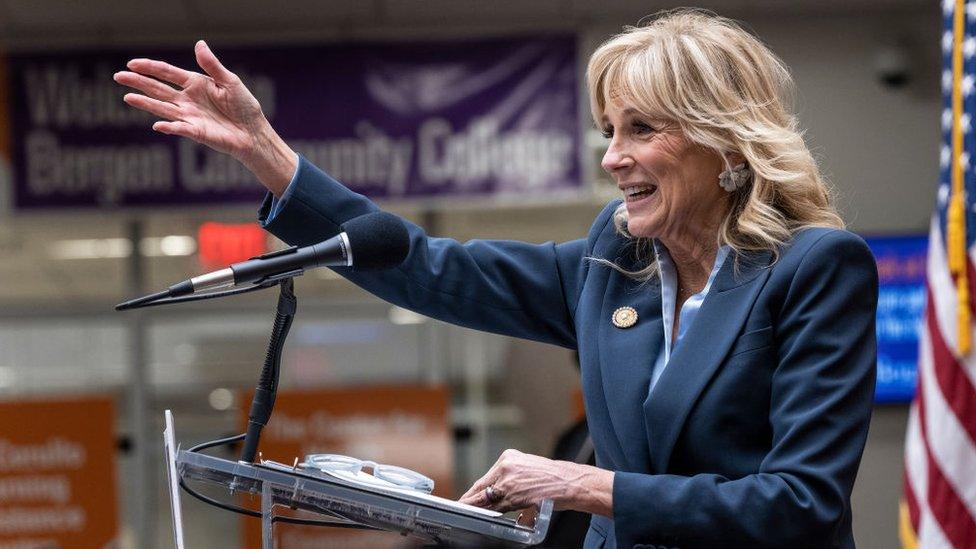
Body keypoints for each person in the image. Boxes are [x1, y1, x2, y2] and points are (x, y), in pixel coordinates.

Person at [114, 9, 877, 548]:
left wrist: (577, 484)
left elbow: (800, 504)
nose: (613, 156)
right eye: (610, 131)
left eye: (643, 129)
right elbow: (425, 266)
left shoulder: (815, 270)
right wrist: (269, 157)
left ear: (728, 145)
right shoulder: (613, 266)